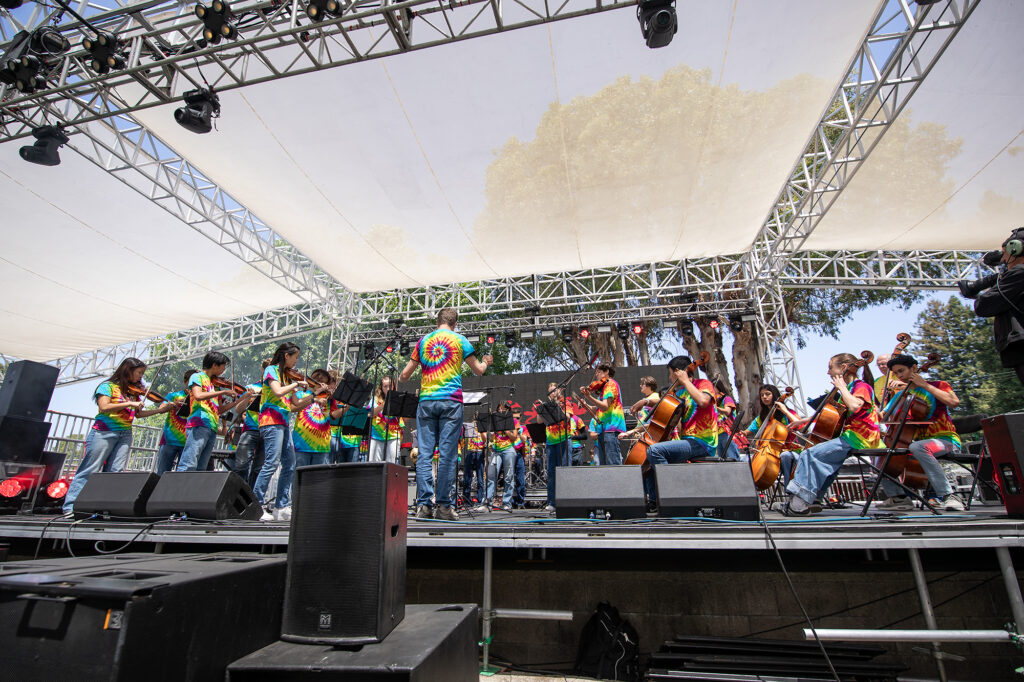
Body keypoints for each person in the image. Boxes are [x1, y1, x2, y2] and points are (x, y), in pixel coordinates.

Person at [399, 307, 492, 520]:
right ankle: (443, 507)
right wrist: (486, 362)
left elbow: (405, 375)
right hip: (451, 402)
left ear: (438, 321)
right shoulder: (460, 340)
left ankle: (424, 506)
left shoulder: (423, 341)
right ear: (455, 323)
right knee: (448, 456)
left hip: (427, 402)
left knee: (424, 455)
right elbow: (478, 370)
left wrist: (412, 374)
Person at [63, 358, 175, 513]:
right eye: (139, 373)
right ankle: (70, 507)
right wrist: (129, 403)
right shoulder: (107, 386)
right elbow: (104, 407)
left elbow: (139, 414)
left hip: (125, 433)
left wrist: (160, 410)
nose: (140, 377)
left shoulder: (132, 391)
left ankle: (103, 507)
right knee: (90, 468)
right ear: (128, 370)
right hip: (103, 432)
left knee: (115, 471)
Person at [785, 353, 880, 515]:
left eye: (831, 367)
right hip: (852, 437)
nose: (828, 372)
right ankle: (814, 499)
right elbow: (833, 414)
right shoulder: (850, 389)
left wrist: (841, 387)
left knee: (809, 454)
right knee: (826, 463)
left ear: (843, 368)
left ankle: (799, 503)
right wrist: (803, 421)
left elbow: (855, 406)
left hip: (861, 438)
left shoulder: (860, 386)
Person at [876, 354, 965, 511]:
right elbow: (882, 417)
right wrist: (871, 407)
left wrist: (924, 385)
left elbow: (953, 402)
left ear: (915, 368)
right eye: (896, 373)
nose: (900, 375)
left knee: (918, 447)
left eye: (902, 370)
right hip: (914, 444)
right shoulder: (900, 395)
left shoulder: (939, 385)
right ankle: (899, 498)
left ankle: (948, 495)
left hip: (945, 440)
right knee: (883, 453)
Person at [643, 356, 719, 505]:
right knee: (648, 458)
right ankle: (654, 501)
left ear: (678, 372)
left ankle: (673, 496)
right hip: (688, 442)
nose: (670, 378)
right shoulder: (681, 392)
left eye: (671, 373)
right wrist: (645, 401)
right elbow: (665, 404)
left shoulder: (703, 384)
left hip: (703, 442)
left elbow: (703, 401)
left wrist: (684, 381)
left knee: (655, 451)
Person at [254, 342, 308, 522]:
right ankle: (257, 504)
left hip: (283, 422)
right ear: (287, 356)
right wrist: (296, 385)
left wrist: (315, 395)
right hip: (270, 421)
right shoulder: (271, 370)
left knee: (290, 464)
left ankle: (281, 506)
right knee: (271, 462)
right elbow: (277, 392)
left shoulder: (287, 377)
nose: (296, 361)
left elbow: (296, 405)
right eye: (295, 357)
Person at [177, 352, 254, 472]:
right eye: (223, 366)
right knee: (189, 462)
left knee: (202, 466)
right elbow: (198, 395)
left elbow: (218, 410)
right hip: (199, 423)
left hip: (211, 426)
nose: (224, 370)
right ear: (214, 365)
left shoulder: (214, 385)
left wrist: (243, 398)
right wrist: (223, 392)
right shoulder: (197, 376)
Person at [968, 227, 1024, 386]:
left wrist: (996, 281)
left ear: (1016, 249)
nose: (1003, 259)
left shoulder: (1019, 272)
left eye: (1005, 253)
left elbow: (983, 305)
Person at [746, 384, 801, 481]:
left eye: (767, 394)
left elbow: (801, 427)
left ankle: (790, 489)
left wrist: (785, 411)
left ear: (774, 395)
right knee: (745, 460)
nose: (764, 397)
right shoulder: (761, 418)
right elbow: (746, 432)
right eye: (762, 395)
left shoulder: (788, 413)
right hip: (769, 453)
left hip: (790, 451)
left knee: (785, 456)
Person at [580, 364, 625, 465]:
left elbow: (604, 406)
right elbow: (598, 408)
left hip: (611, 429)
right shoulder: (604, 387)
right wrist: (586, 404)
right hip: (604, 430)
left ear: (607, 372)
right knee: (605, 465)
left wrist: (589, 397)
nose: (596, 375)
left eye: (599, 372)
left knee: (612, 464)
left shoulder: (610, 384)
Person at [154, 370, 194, 475]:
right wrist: (174, 403)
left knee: (181, 476)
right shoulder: (173, 395)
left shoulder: (199, 398)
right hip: (169, 441)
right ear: (185, 382)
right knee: (162, 473)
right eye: (190, 382)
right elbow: (161, 409)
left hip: (188, 443)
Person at [292, 368, 332, 468]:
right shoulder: (301, 395)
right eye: (320, 382)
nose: (323, 386)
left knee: (316, 481)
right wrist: (315, 397)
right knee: (298, 478)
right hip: (302, 444)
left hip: (322, 446)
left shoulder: (329, 398)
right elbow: (294, 408)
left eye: (325, 383)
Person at [543, 383, 571, 512]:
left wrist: (558, 407)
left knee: (564, 471)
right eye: (550, 392)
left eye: (554, 391)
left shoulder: (565, 402)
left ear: (559, 391)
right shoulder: (547, 405)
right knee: (551, 473)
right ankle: (552, 502)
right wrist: (542, 410)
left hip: (563, 440)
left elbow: (568, 417)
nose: (552, 394)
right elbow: (539, 421)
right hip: (550, 441)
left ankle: (566, 501)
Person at [487, 401, 518, 512]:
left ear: (508, 410)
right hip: (496, 450)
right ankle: (488, 502)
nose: (501, 411)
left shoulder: (513, 420)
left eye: (504, 409)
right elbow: (491, 437)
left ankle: (507, 502)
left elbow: (514, 437)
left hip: (508, 450)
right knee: (491, 476)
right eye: (499, 409)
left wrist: (505, 429)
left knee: (508, 477)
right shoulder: (494, 421)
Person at [368, 376, 404, 464]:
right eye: (385, 386)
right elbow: (371, 414)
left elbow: (403, 421)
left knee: (392, 465)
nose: (388, 389)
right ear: (381, 387)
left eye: (390, 386)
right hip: (377, 436)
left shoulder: (398, 399)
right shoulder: (375, 399)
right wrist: (384, 403)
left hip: (393, 436)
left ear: (393, 387)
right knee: (374, 465)